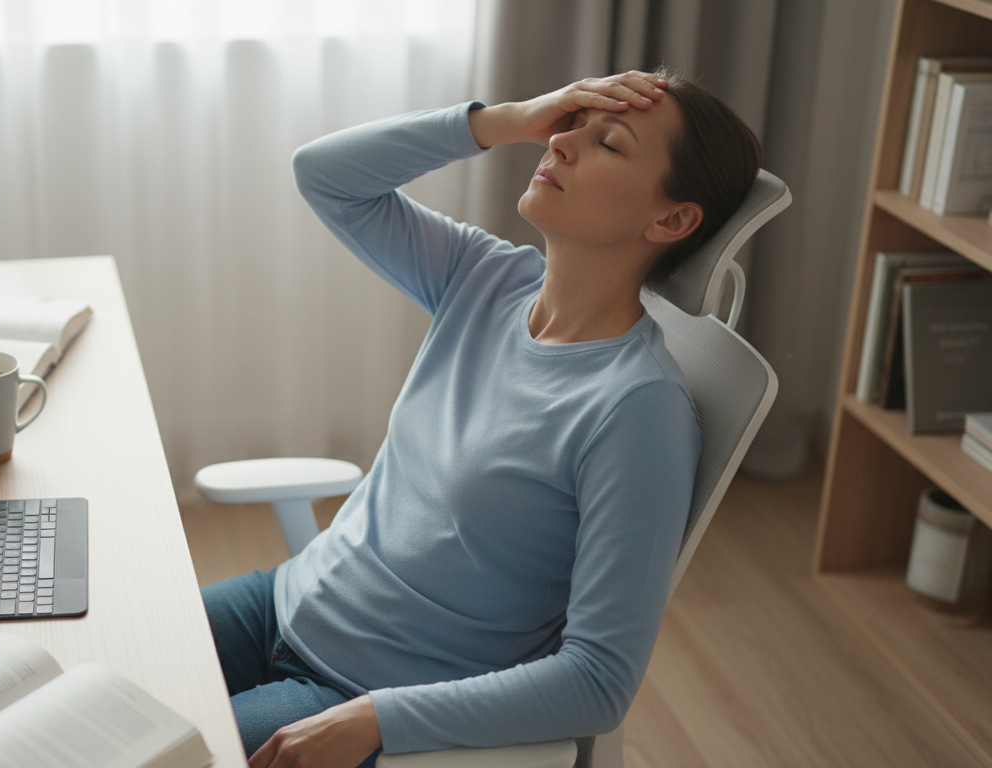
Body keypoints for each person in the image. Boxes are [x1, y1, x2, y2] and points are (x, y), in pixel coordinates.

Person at [203, 68, 763, 768]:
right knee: (98, 667)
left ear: (672, 219)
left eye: (608, 143)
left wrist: (376, 720)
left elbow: (598, 680)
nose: (559, 145)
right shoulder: (486, 277)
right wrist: (508, 119)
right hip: (281, 605)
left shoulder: (637, 412)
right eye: (570, 125)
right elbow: (323, 175)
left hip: (358, 692)